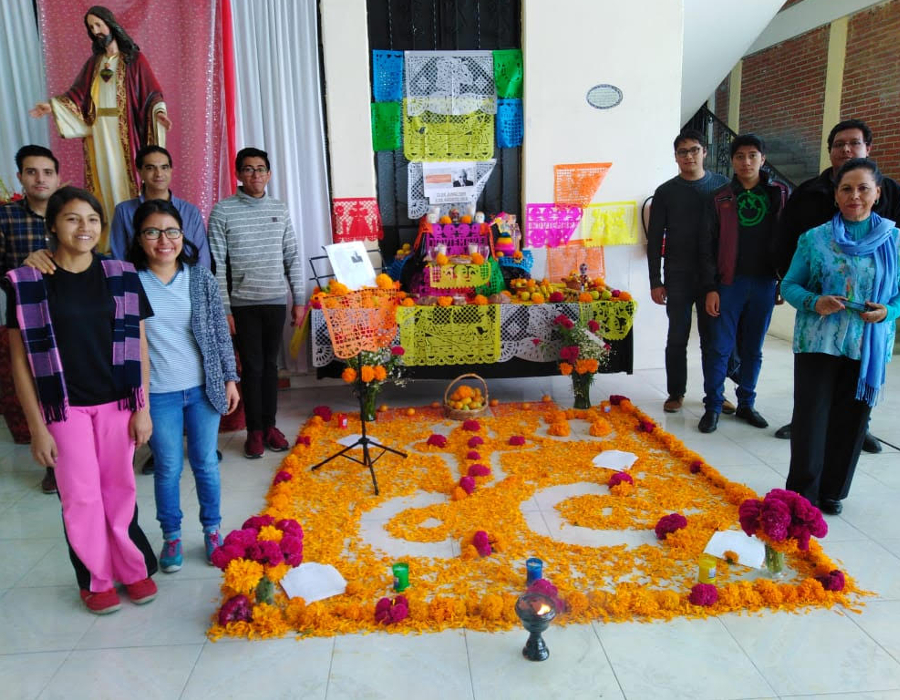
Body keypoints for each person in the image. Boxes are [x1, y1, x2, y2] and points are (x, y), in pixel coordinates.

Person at [5, 186, 158, 614]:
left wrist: (142, 407)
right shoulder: (27, 282)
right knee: (80, 497)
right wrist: (37, 428)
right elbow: (19, 363)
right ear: (53, 225)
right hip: (63, 407)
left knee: (120, 490)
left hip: (118, 403)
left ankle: (132, 569)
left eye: (92, 219)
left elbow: (140, 345)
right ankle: (95, 580)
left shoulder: (121, 274)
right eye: (72, 219)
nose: (84, 228)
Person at [781, 159, 900, 515]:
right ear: (835, 195)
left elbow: (897, 296)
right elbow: (790, 284)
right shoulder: (815, 239)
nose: (854, 196)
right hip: (818, 341)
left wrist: (888, 311)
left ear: (877, 193)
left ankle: (833, 491)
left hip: (867, 346)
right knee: (810, 419)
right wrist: (814, 301)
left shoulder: (894, 241)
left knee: (852, 421)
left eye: (863, 188)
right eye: (846, 189)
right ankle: (803, 492)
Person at [127, 199, 239, 571]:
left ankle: (212, 530)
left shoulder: (199, 277)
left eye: (171, 231)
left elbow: (220, 332)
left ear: (183, 235)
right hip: (158, 394)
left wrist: (229, 378)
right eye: (152, 232)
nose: (164, 240)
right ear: (139, 238)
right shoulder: (129, 281)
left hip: (202, 389)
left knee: (206, 463)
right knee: (168, 467)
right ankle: (172, 536)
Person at [29, 6, 171, 243]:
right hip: (98, 133)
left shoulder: (133, 60)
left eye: (98, 24)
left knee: (124, 179)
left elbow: (151, 93)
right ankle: (107, 240)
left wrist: (158, 112)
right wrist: (53, 106)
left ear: (110, 24)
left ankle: (134, 237)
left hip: (124, 133)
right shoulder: (94, 63)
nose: (96, 31)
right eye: (91, 27)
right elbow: (77, 95)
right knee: (102, 181)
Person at [208, 148, 304, 458]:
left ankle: (270, 426)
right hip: (242, 305)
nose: (255, 174)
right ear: (238, 174)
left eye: (261, 168)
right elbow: (217, 265)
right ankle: (254, 431)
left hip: (275, 300)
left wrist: (299, 299)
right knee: (252, 368)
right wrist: (224, 309)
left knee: (271, 367)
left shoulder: (279, 209)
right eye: (248, 169)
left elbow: (292, 256)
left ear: (269, 174)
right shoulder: (223, 211)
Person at [698, 134, 789, 433]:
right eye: (740, 156)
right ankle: (713, 405)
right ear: (733, 161)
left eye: (752, 155)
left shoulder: (779, 194)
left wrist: (783, 280)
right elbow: (707, 245)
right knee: (719, 347)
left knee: (753, 348)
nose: (746, 162)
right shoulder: (720, 197)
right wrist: (711, 287)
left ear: (763, 159)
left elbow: (789, 238)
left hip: (764, 282)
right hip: (728, 283)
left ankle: (746, 404)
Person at [647, 129, 730, 414]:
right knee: (677, 337)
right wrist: (655, 281)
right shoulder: (666, 192)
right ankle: (675, 392)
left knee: (713, 339)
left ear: (704, 152)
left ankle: (716, 393)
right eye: (682, 152)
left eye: (694, 150)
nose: (689, 156)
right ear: (675, 157)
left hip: (713, 278)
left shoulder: (722, 187)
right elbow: (655, 239)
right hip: (678, 275)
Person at [0, 146, 61, 494]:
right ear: (20, 177)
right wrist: (23, 269)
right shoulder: (6, 217)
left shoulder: (68, 212)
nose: (40, 179)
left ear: (57, 177)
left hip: (69, 316)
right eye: (32, 172)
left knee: (70, 387)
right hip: (26, 319)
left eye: (47, 172)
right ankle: (53, 465)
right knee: (41, 390)